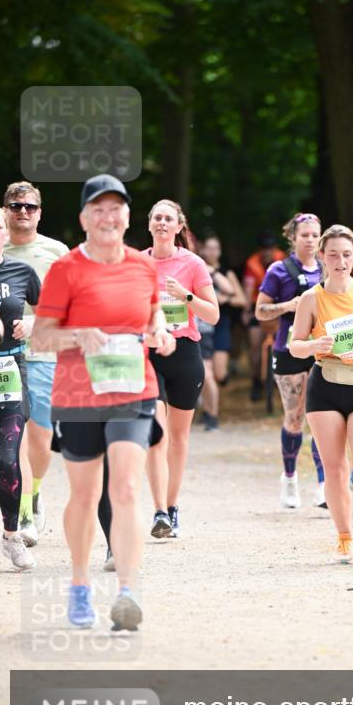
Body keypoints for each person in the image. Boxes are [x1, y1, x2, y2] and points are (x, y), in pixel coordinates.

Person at [31, 175, 176, 630]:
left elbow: (154, 319)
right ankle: (78, 583)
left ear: (128, 216)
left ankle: (127, 592)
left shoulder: (142, 267)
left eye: (116, 208)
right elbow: (40, 335)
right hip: (77, 395)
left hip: (134, 389)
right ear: (83, 218)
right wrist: (78, 334)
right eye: (98, 209)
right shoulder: (66, 270)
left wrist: (162, 334)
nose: (108, 217)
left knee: (128, 488)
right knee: (85, 493)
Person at [289, 224, 353, 562]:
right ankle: (344, 536)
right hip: (326, 386)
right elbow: (295, 347)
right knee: (334, 468)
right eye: (333, 255)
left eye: (346, 254)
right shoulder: (311, 298)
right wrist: (316, 344)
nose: (340, 261)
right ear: (322, 257)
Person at [142, 200, 219, 539]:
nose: (161, 223)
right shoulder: (136, 263)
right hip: (149, 353)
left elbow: (213, 314)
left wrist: (185, 295)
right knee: (155, 435)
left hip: (185, 352)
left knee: (178, 439)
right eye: (156, 217)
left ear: (178, 226)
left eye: (168, 218)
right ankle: (159, 510)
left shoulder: (193, 263)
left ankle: (172, 507)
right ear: (149, 225)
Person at [4, 181, 69, 544]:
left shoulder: (56, 251)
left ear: (39, 212)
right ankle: (24, 514)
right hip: (3, 358)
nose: (22, 212)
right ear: (5, 211)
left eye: (29, 206)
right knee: (13, 439)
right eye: (15, 206)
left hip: (45, 354)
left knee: (40, 439)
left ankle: (36, 491)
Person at [256, 212, 326, 508]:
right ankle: (289, 478)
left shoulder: (327, 268)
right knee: (295, 417)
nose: (310, 240)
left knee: (322, 418)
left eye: (314, 235)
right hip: (288, 350)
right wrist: (289, 305)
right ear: (293, 238)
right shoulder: (279, 270)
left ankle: (324, 485)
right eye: (304, 235)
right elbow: (260, 311)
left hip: (322, 348)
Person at [0, 204, 41, 571]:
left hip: (9, 369)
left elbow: (49, 311)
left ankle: (11, 537)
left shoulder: (22, 271)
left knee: (8, 458)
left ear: (6, 233)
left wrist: (30, 324)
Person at [197, 234, 246, 430]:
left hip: (221, 325)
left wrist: (224, 300)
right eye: (208, 248)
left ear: (220, 251)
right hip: (202, 324)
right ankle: (209, 412)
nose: (211, 252)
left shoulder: (226, 273)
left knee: (218, 373)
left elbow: (241, 299)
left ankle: (210, 406)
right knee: (204, 372)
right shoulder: (197, 268)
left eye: (215, 248)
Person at [242, 233, 285, 401]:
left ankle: (279, 378)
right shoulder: (252, 263)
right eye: (264, 249)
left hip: (279, 307)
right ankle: (255, 381)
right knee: (255, 344)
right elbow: (247, 289)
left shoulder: (283, 260)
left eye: (271, 248)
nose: (268, 252)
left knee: (283, 343)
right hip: (257, 307)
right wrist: (246, 311)